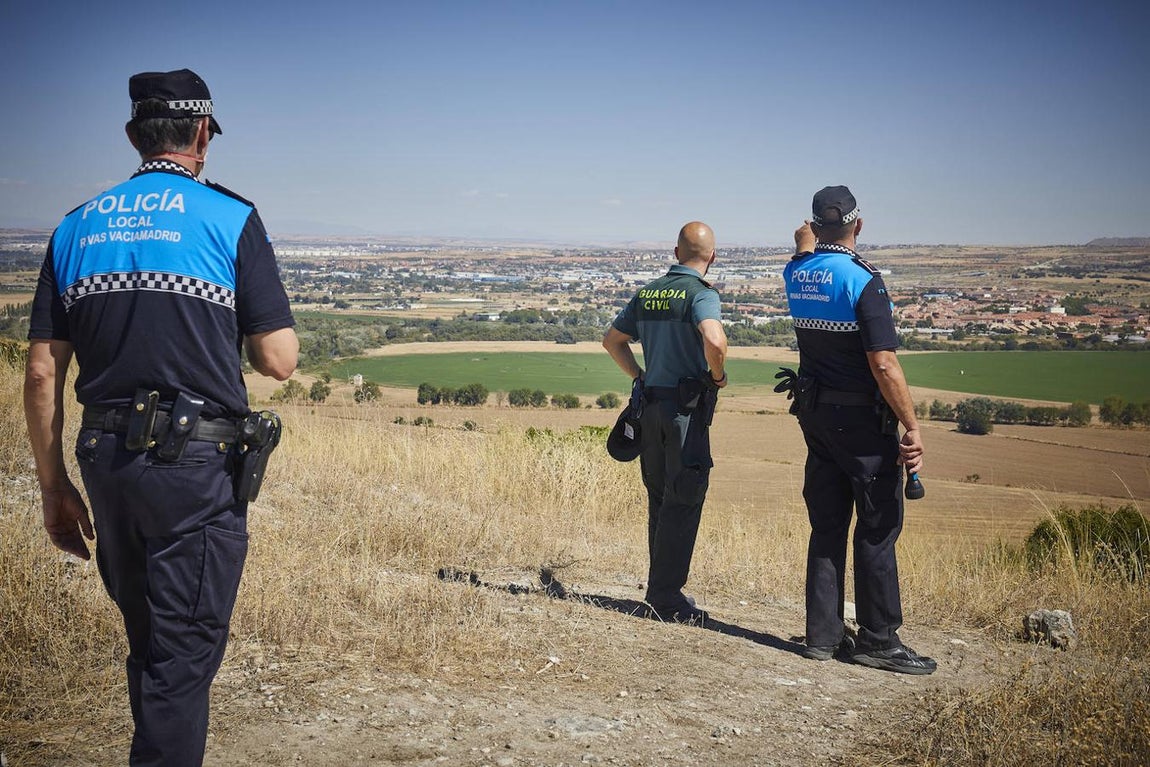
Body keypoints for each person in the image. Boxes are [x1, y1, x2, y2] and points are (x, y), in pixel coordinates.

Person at [24, 68, 299, 765]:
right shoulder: (230, 217)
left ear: (131, 135)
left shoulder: (74, 227)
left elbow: (42, 370)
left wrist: (54, 486)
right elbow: (278, 359)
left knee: (149, 644)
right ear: (202, 135)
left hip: (104, 462)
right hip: (194, 470)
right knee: (181, 661)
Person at [782, 186, 935, 674]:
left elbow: (805, 252)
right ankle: (878, 640)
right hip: (864, 425)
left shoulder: (796, 273)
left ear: (815, 226)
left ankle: (822, 637)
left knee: (826, 524)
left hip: (816, 418)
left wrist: (806, 240)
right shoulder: (865, 282)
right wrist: (911, 426)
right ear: (859, 225)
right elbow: (884, 363)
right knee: (877, 527)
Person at [603, 221, 728, 625]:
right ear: (711, 257)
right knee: (686, 496)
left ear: (676, 254)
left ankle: (659, 589)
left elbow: (612, 340)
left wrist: (638, 375)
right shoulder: (700, 295)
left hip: (650, 408)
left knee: (659, 497)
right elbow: (714, 340)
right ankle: (668, 598)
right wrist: (718, 376)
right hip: (684, 414)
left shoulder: (649, 293)